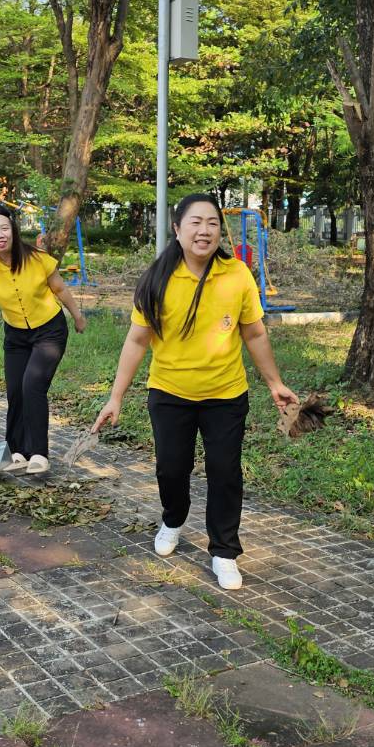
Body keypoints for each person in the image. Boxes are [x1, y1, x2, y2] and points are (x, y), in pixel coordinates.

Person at [92, 193, 298, 591]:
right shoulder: (157, 279)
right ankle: (173, 518)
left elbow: (254, 332)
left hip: (225, 394)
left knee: (225, 471)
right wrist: (115, 397)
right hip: (169, 393)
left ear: (220, 230)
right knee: (171, 468)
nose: (205, 231)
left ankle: (224, 551)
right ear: (177, 229)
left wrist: (274, 383)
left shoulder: (236, 274)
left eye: (212, 223)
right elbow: (136, 341)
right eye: (195, 222)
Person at [0, 203, 87, 475]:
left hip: (49, 330)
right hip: (15, 335)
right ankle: (18, 452)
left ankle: (38, 453)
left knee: (32, 385)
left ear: (13, 229)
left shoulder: (37, 258)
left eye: (4, 228)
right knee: (15, 391)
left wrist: (77, 316)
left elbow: (60, 288)